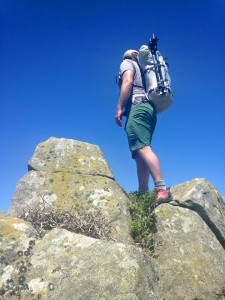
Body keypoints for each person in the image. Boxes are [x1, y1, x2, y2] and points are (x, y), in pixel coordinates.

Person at [115, 49, 172, 205]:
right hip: (149, 110)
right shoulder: (143, 69)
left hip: (137, 108)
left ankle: (161, 190)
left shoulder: (127, 63)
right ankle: (143, 195)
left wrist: (119, 108)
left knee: (143, 149)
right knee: (140, 154)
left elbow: (127, 81)